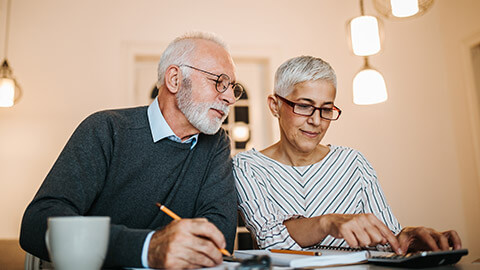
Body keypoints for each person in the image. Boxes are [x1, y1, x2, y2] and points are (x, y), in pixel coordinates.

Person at [20, 32, 244, 269]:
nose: (229, 97)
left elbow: (218, 238)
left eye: (232, 87)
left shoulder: (216, 143)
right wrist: (148, 248)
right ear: (175, 79)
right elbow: (37, 224)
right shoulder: (106, 129)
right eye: (219, 81)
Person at [233, 55, 462, 254]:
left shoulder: (354, 163)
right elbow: (272, 241)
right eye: (304, 106)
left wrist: (408, 238)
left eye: (326, 109)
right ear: (275, 106)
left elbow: (386, 241)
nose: (315, 121)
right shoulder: (248, 166)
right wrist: (327, 223)